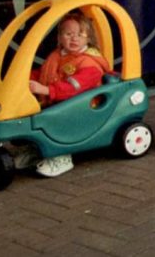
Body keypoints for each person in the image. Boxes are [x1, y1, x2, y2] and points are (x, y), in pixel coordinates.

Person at [17, 12, 115, 177]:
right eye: (68, 34)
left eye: (80, 35)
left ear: (88, 38)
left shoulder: (89, 63)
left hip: (83, 107)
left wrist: (47, 90)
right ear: (60, 37)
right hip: (57, 100)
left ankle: (61, 156)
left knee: (53, 117)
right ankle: (37, 149)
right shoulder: (57, 55)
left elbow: (74, 87)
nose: (74, 39)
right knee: (28, 113)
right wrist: (22, 79)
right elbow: (43, 73)